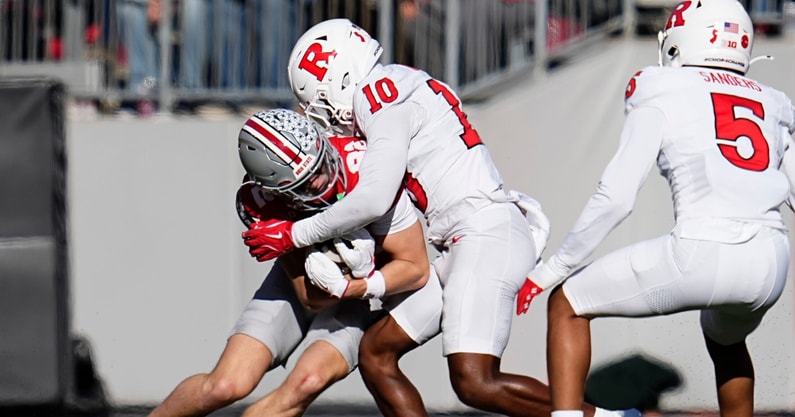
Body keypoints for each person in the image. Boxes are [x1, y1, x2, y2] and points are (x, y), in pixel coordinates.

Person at [240, 18, 638, 417]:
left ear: (342, 79)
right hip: (463, 239)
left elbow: (374, 198)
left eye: (322, 102)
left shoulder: (378, 95)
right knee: (377, 353)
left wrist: (295, 235)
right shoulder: (398, 84)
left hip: (483, 230)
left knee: (475, 381)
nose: (325, 116)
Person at [520, 1, 795, 417]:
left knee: (567, 303)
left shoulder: (659, 86)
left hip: (703, 250)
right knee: (725, 340)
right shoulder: (773, 101)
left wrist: (551, 269)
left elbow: (616, 197)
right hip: (771, 261)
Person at [147, 108, 441, 417]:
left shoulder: (363, 165)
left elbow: (415, 267)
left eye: (321, 165)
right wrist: (337, 277)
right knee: (225, 386)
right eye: (306, 183)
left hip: (369, 292)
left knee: (307, 381)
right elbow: (310, 298)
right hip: (312, 289)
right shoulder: (262, 202)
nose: (322, 180)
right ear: (278, 191)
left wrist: (357, 283)